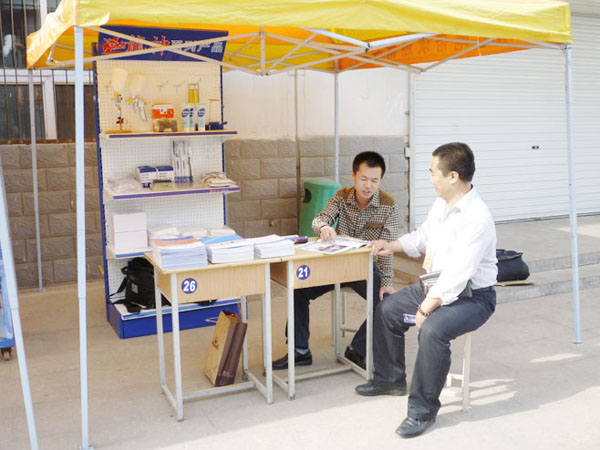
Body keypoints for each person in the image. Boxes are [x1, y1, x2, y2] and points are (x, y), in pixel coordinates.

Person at [355, 142, 497, 439]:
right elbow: (422, 237)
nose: (430, 178)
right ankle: (390, 378)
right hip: (435, 284)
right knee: (388, 309)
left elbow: (459, 273)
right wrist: (390, 246)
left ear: (452, 176)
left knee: (432, 330)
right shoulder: (441, 204)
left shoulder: (477, 217)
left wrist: (426, 307)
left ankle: (422, 411)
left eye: (433, 172)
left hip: (472, 297)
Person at [272, 151, 400, 370]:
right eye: (363, 179)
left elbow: (387, 248)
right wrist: (323, 228)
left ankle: (357, 349)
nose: (368, 185)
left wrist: (387, 282)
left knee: (388, 303)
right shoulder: (341, 197)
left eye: (374, 180)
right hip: (335, 266)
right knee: (298, 288)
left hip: (365, 269)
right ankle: (299, 350)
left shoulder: (389, 205)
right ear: (353, 175)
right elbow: (319, 219)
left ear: (380, 180)